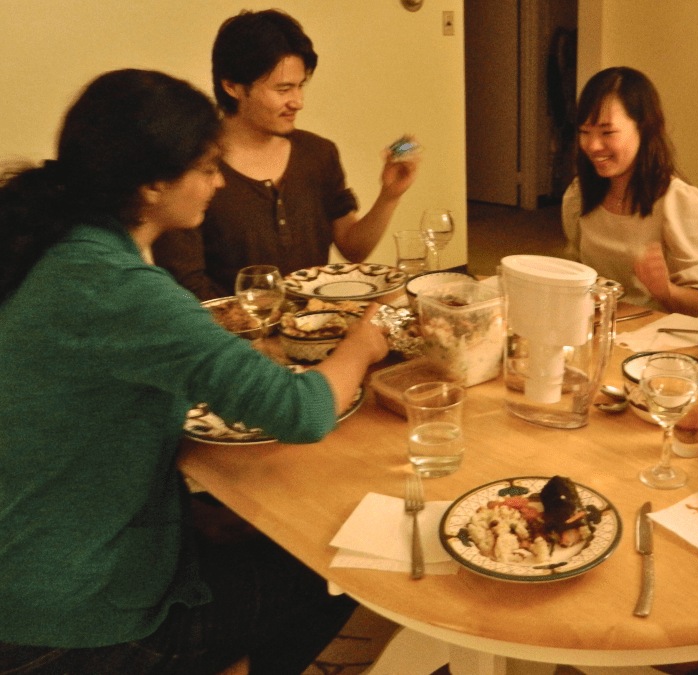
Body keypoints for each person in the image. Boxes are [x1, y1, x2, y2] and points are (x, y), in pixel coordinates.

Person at [0, 69, 389, 674]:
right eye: (208, 167)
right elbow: (304, 411)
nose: (217, 183)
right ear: (153, 183)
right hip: (76, 624)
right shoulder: (122, 289)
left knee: (244, 532)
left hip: (27, 568)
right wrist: (364, 344)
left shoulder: (50, 244)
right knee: (329, 566)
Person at [153, 9, 420, 300]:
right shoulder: (191, 167)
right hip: (236, 339)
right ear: (232, 87)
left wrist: (389, 196)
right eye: (284, 89)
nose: (298, 102)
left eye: (301, 86)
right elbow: (188, 290)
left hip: (319, 326)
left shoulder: (319, 153)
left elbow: (353, 250)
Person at [562, 66, 698, 317]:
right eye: (584, 132)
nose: (592, 146)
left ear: (644, 128)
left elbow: (696, 306)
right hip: (598, 327)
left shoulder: (678, 203)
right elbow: (579, 272)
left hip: (652, 338)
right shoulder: (579, 194)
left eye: (607, 132)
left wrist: (664, 289)